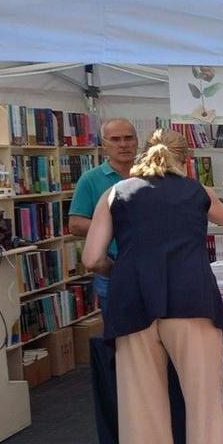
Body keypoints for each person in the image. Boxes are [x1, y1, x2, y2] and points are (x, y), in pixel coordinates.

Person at [82, 129, 223, 444]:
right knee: (205, 409)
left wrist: (118, 271)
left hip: (133, 304)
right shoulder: (195, 191)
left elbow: (90, 257)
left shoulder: (116, 194)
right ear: (184, 157)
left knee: (141, 416)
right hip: (192, 302)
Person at [69, 118, 139, 310]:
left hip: (153, 265)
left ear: (137, 141)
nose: (123, 144)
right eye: (115, 139)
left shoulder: (151, 175)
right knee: (118, 332)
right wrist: (114, 227)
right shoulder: (90, 179)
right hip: (112, 265)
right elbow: (75, 224)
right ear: (104, 145)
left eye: (128, 138)